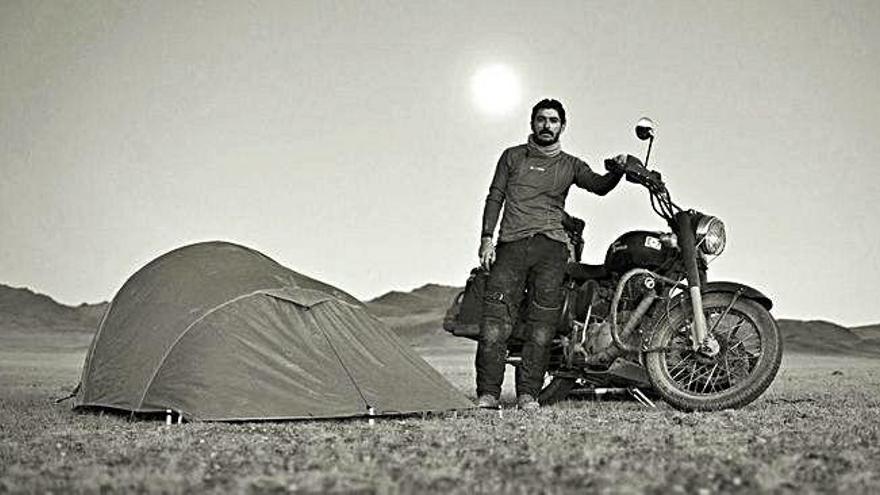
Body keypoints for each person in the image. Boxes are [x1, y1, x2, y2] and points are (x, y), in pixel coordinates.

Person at [475, 98, 625, 410]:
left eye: (553, 120)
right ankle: (488, 394)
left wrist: (619, 169)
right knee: (495, 323)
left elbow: (599, 186)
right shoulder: (512, 157)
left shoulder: (570, 165)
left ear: (562, 126)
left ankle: (528, 395)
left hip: (552, 249)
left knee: (542, 325)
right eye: (541, 119)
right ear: (532, 123)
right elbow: (495, 196)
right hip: (511, 245)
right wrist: (487, 238)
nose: (547, 125)